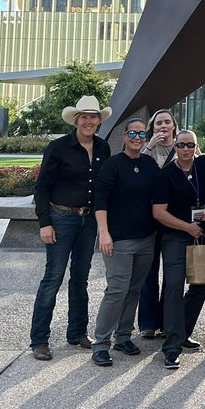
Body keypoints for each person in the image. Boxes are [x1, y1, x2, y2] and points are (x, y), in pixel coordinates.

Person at [29, 94, 112, 361]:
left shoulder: (103, 148)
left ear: (99, 121)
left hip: (88, 221)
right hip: (61, 217)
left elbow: (103, 187)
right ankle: (39, 340)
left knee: (81, 277)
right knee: (53, 277)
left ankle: (77, 332)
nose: (89, 122)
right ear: (76, 120)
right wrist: (45, 223)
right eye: (84, 117)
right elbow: (42, 187)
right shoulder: (58, 147)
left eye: (93, 117)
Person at [91, 118, 162, 367]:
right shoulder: (113, 165)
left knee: (134, 289)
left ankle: (123, 337)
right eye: (133, 133)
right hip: (119, 240)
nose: (137, 138)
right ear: (124, 136)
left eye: (142, 134)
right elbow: (100, 200)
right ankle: (101, 343)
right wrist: (104, 233)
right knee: (117, 290)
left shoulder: (149, 165)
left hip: (146, 239)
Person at [154, 129, 205, 369]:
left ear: (196, 147)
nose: (186, 149)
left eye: (190, 145)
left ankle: (181, 331)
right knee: (174, 284)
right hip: (175, 235)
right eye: (181, 145)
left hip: (202, 233)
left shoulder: (204, 166)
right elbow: (159, 212)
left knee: (202, 282)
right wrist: (186, 227)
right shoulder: (166, 175)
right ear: (175, 148)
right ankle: (171, 347)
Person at [138, 108, 179, 339]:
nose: (163, 126)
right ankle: (148, 323)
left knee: (173, 274)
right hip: (149, 219)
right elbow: (137, 170)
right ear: (152, 128)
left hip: (174, 218)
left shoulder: (183, 146)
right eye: (158, 123)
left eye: (166, 122)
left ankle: (167, 320)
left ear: (174, 126)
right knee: (148, 272)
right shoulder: (146, 149)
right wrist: (150, 146)